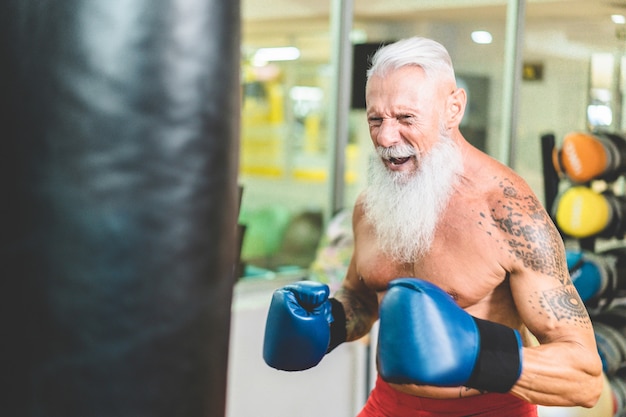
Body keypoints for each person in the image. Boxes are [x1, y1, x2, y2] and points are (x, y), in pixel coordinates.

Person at [262, 36, 604, 417]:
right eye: (376, 119)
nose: (386, 138)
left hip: (486, 409)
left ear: (453, 108)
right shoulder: (373, 205)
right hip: (389, 404)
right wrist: (329, 322)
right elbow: (361, 298)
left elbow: (585, 377)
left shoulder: (508, 214)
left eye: (406, 118)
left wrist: (475, 355)